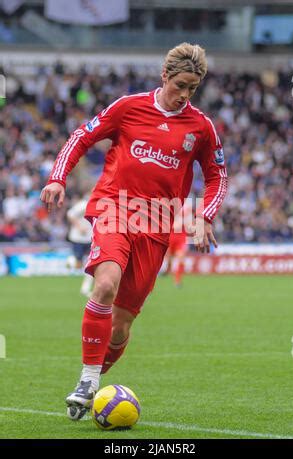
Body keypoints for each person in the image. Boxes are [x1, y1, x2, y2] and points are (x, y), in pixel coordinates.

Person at [40, 42, 228, 420]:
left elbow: (217, 174)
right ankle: (88, 381)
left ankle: (93, 380)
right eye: (180, 85)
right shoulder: (128, 107)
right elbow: (82, 136)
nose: (184, 95)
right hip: (115, 208)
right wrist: (58, 178)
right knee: (105, 284)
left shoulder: (201, 127)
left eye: (192, 88)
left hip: (158, 224)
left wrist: (206, 215)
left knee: (121, 327)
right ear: (165, 77)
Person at [66, 195, 94, 297]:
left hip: (90, 238)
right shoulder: (84, 204)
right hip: (78, 238)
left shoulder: (99, 204)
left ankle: (85, 289)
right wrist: (79, 227)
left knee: (92, 264)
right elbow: (70, 214)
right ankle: (70, 261)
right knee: (79, 265)